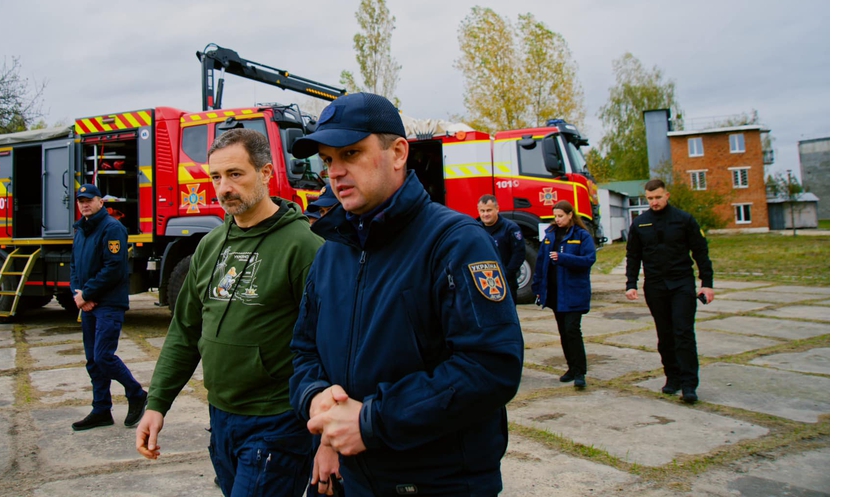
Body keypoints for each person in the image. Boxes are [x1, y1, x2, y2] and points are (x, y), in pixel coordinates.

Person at [289, 92, 524, 497]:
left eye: (351, 153)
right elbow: (304, 350)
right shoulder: (330, 253)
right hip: (359, 480)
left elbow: (490, 367)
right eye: (328, 160)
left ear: (398, 152)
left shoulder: (455, 243)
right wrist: (315, 399)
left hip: (441, 482)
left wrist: (373, 421)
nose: (336, 172)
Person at [135, 128, 327, 496]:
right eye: (216, 177)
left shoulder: (303, 247)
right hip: (221, 417)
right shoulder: (209, 246)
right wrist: (157, 404)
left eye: (235, 174)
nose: (223, 188)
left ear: (267, 173)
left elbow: (331, 343)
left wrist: (328, 437)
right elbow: (185, 331)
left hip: (278, 421)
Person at [625, 178, 714, 404]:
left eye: (658, 197)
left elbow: (701, 252)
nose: (654, 202)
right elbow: (633, 256)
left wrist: (706, 283)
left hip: (681, 284)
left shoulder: (684, 220)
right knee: (665, 336)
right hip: (655, 286)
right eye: (650, 198)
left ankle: (689, 384)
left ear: (667, 195)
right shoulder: (640, 224)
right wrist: (631, 284)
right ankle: (672, 378)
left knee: (683, 333)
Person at [69, 183, 148, 431]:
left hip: (109, 305)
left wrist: (88, 294)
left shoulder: (112, 228)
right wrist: (79, 294)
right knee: (93, 360)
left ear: (100, 202)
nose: (84, 204)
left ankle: (136, 393)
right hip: (90, 304)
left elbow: (114, 269)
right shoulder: (81, 230)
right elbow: (74, 267)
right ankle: (101, 409)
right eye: (81, 200)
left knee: (103, 356)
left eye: (89, 200)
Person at [532, 200, 596, 389]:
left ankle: (580, 372)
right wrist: (537, 288)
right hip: (555, 293)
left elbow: (588, 259)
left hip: (573, 292)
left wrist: (564, 258)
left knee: (572, 330)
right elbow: (541, 262)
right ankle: (571, 368)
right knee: (563, 332)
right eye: (555, 216)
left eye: (561, 216)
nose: (558, 220)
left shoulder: (581, 235)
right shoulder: (550, 235)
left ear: (570, 215)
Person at [476, 194, 526, 286]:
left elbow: (519, 253)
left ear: (497, 209)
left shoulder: (510, 228)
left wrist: (506, 274)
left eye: (489, 210)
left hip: (506, 282)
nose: (485, 214)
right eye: (482, 211)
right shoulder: (476, 229)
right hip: (483, 282)